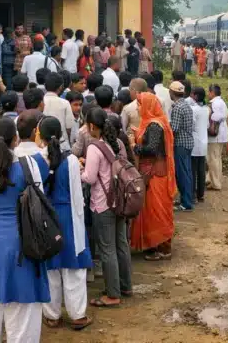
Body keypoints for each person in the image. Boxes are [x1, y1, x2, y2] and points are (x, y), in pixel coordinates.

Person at [0, 118, 50, 341]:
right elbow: (40, 205)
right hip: (24, 243)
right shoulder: (30, 166)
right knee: (23, 315)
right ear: (16, 139)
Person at [35, 117, 93, 330]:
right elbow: (78, 196)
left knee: (50, 267)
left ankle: (52, 315)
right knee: (74, 267)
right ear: (60, 135)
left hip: (46, 218)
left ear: (39, 134)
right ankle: (78, 315)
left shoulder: (36, 160)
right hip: (68, 217)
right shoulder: (70, 161)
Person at [80, 107, 133, 306]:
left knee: (107, 249)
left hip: (103, 203)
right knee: (121, 244)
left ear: (92, 126)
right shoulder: (118, 142)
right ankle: (125, 285)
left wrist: (79, 169)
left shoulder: (95, 147)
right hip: (120, 200)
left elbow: (90, 178)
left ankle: (112, 294)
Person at [131, 93, 177, 260]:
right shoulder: (157, 123)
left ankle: (155, 247)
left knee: (153, 210)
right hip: (158, 172)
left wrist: (135, 146)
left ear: (148, 106)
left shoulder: (154, 126)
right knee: (159, 210)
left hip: (154, 174)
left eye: (140, 104)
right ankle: (162, 246)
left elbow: (151, 149)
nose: (137, 107)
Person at [170, 81, 195, 211]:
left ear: (172, 93)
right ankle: (187, 199)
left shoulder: (178, 108)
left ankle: (186, 203)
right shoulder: (186, 105)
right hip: (188, 142)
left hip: (180, 143)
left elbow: (174, 128)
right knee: (187, 172)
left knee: (182, 173)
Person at [42, 72, 75, 151]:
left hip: (43, 144)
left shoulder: (41, 102)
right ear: (61, 87)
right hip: (61, 144)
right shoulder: (65, 103)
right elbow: (69, 127)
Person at [206, 84, 228, 191]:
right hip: (222, 134)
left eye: (208, 92)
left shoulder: (214, 103)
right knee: (217, 158)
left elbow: (216, 117)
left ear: (212, 93)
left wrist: (209, 118)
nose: (207, 94)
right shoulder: (222, 102)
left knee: (213, 159)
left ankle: (215, 183)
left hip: (216, 135)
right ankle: (215, 180)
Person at [190, 87, 209, 203]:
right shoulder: (206, 109)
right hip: (203, 142)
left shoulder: (193, 109)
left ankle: (192, 193)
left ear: (196, 96)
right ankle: (200, 194)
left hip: (195, 142)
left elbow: (191, 125)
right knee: (201, 170)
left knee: (192, 170)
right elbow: (206, 125)